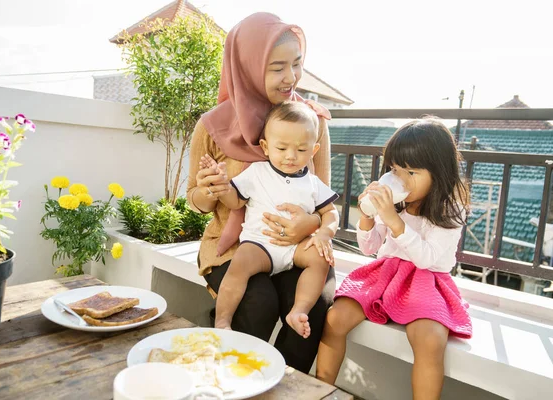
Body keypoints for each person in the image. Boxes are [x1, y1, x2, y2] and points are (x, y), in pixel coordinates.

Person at [186, 12, 335, 372]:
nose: (291, 77)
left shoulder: (311, 122)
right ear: (248, 66)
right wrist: (211, 190)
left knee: (315, 306)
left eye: (296, 64)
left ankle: (281, 384)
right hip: (236, 248)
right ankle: (230, 379)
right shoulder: (212, 126)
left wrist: (310, 225)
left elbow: (323, 195)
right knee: (258, 303)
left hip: (298, 246)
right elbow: (196, 200)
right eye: (277, 67)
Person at [316, 117, 473, 399]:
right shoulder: (396, 202)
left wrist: (395, 223)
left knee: (429, 340)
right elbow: (369, 247)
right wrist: (366, 218)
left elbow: (427, 259)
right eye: (394, 169)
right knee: (334, 319)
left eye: (411, 172)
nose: (399, 179)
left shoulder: (450, 209)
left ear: (439, 172)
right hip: (384, 274)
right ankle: (319, 390)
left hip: (427, 282)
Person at [200, 101, 339, 338]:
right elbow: (236, 202)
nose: (291, 157)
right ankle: (223, 321)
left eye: (301, 150)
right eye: (282, 148)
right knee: (240, 264)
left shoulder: (313, 183)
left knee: (320, 258)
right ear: (265, 146)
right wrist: (223, 186)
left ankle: (298, 311)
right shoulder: (257, 172)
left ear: (313, 150)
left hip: (295, 249)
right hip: (260, 245)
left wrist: (325, 232)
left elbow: (331, 212)